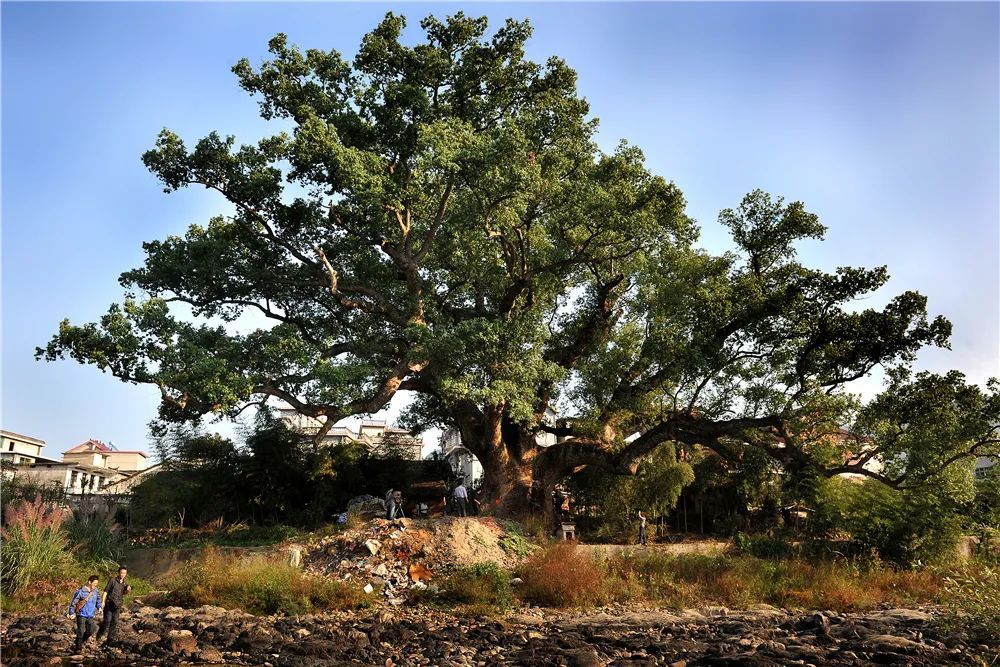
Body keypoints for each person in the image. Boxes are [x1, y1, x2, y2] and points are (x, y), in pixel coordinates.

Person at [95, 565, 132, 647]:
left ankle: (110, 639)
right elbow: (106, 591)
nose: (123, 574)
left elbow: (123, 593)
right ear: (118, 573)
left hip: (118, 605)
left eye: (124, 573)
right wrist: (103, 602)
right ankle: (99, 635)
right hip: (109, 604)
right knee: (107, 620)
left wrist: (128, 591)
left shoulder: (125, 583)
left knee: (114, 621)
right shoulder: (112, 580)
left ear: (126, 574)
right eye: (121, 573)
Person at [67, 575, 102, 653]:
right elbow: (74, 601)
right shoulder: (81, 591)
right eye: (94, 583)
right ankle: (78, 648)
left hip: (90, 614)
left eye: (96, 584)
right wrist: (71, 612)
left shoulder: (96, 591)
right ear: (89, 582)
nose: (95, 585)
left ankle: (78, 642)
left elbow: (98, 600)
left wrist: (99, 607)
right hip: (81, 614)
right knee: (80, 631)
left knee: (91, 630)